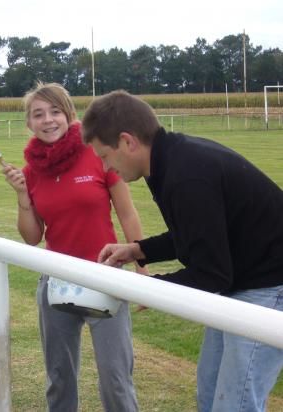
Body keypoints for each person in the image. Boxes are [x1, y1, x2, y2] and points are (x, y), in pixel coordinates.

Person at [82, 90, 283, 412]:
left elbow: (212, 273)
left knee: (236, 405)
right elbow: (197, 235)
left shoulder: (186, 174)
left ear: (127, 141)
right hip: (243, 281)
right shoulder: (168, 160)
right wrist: (137, 250)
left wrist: (149, 288)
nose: (105, 166)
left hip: (269, 285)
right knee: (210, 397)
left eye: (105, 156)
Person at [2, 82, 146, 412]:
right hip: (56, 280)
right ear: (29, 123)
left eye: (55, 112)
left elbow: (127, 212)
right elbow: (32, 237)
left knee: (116, 380)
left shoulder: (98, 154)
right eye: (38, 114)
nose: (48, 120)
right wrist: (22, 195)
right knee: (59, 378)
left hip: (105, 276)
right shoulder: (31, 170)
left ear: (69, 115)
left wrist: (141, 265)